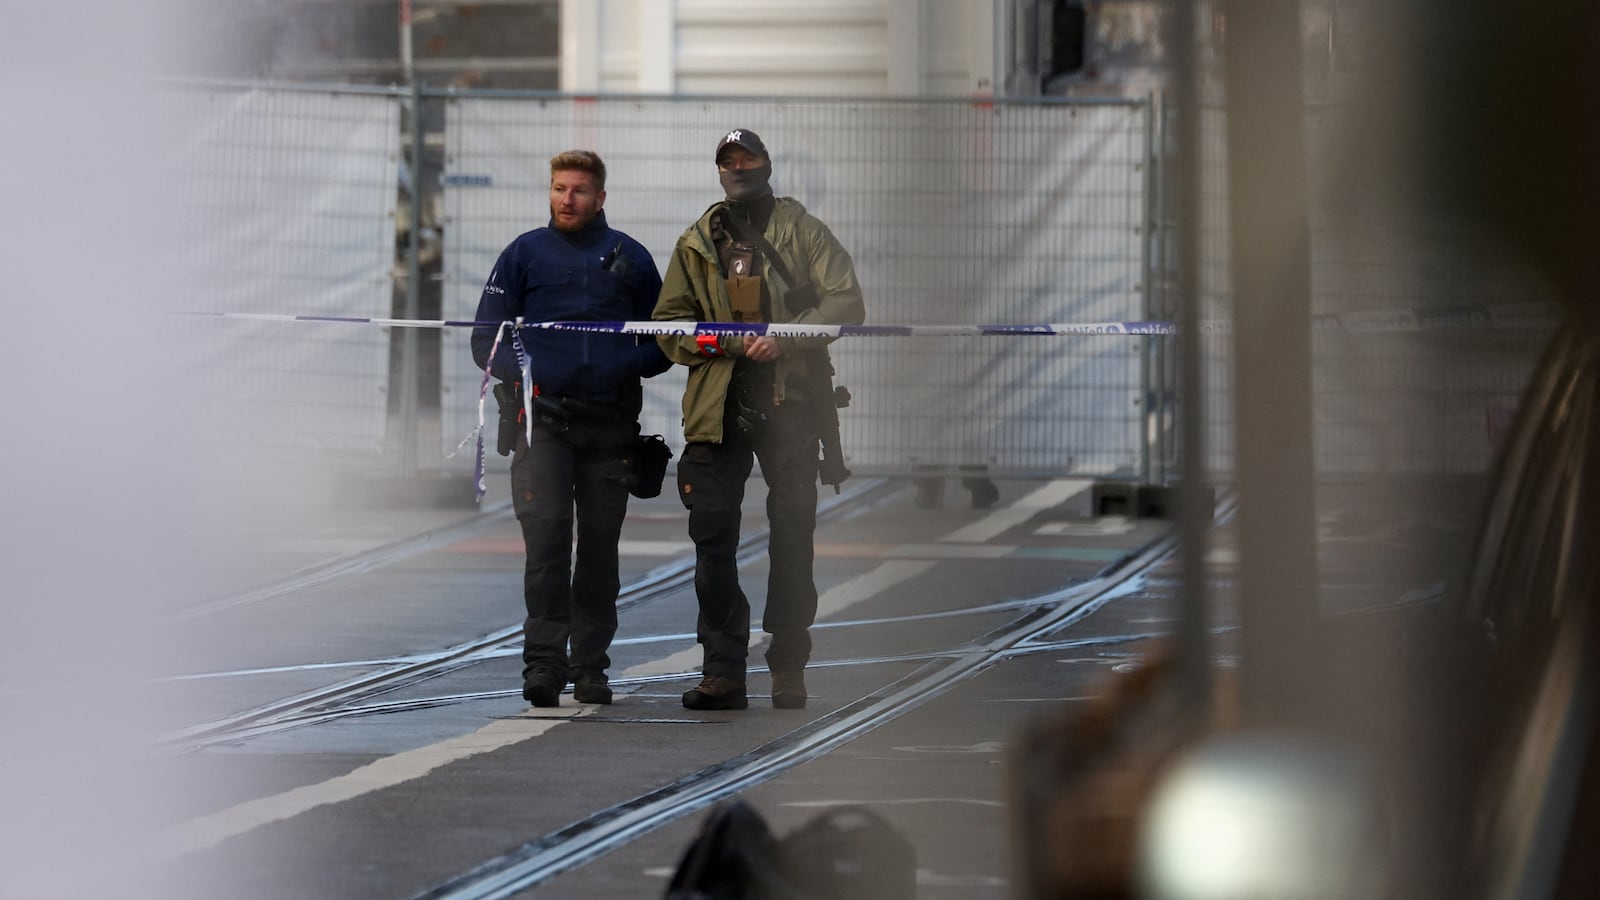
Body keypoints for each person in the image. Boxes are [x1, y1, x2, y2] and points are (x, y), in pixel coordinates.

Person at [652, 128, 866, 710]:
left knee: (794, 535)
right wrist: (721, 344)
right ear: (717, 170)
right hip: (715, 408)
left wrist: (788, 340)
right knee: (712, 539)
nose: (739, 167)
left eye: (748, 157)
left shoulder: (801, 230)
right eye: (729, 160)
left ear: (767, 163)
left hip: (790, 403)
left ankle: (788, 667)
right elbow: (669, 324)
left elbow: (847, 301)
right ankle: (723, 670)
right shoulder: (697, 241)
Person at [471, 149, 669, 708]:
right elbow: (483, 340)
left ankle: (590, 668)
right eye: (559, 188)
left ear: (601, 196)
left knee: (600, 552)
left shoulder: (628, 258)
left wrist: (624, 364)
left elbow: (667, 338)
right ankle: (543, 667)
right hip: (545, 426)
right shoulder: (524, 254)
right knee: (548, 546)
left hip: (611, 426)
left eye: (580, 190)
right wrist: (525, 374)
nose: (567, 198)